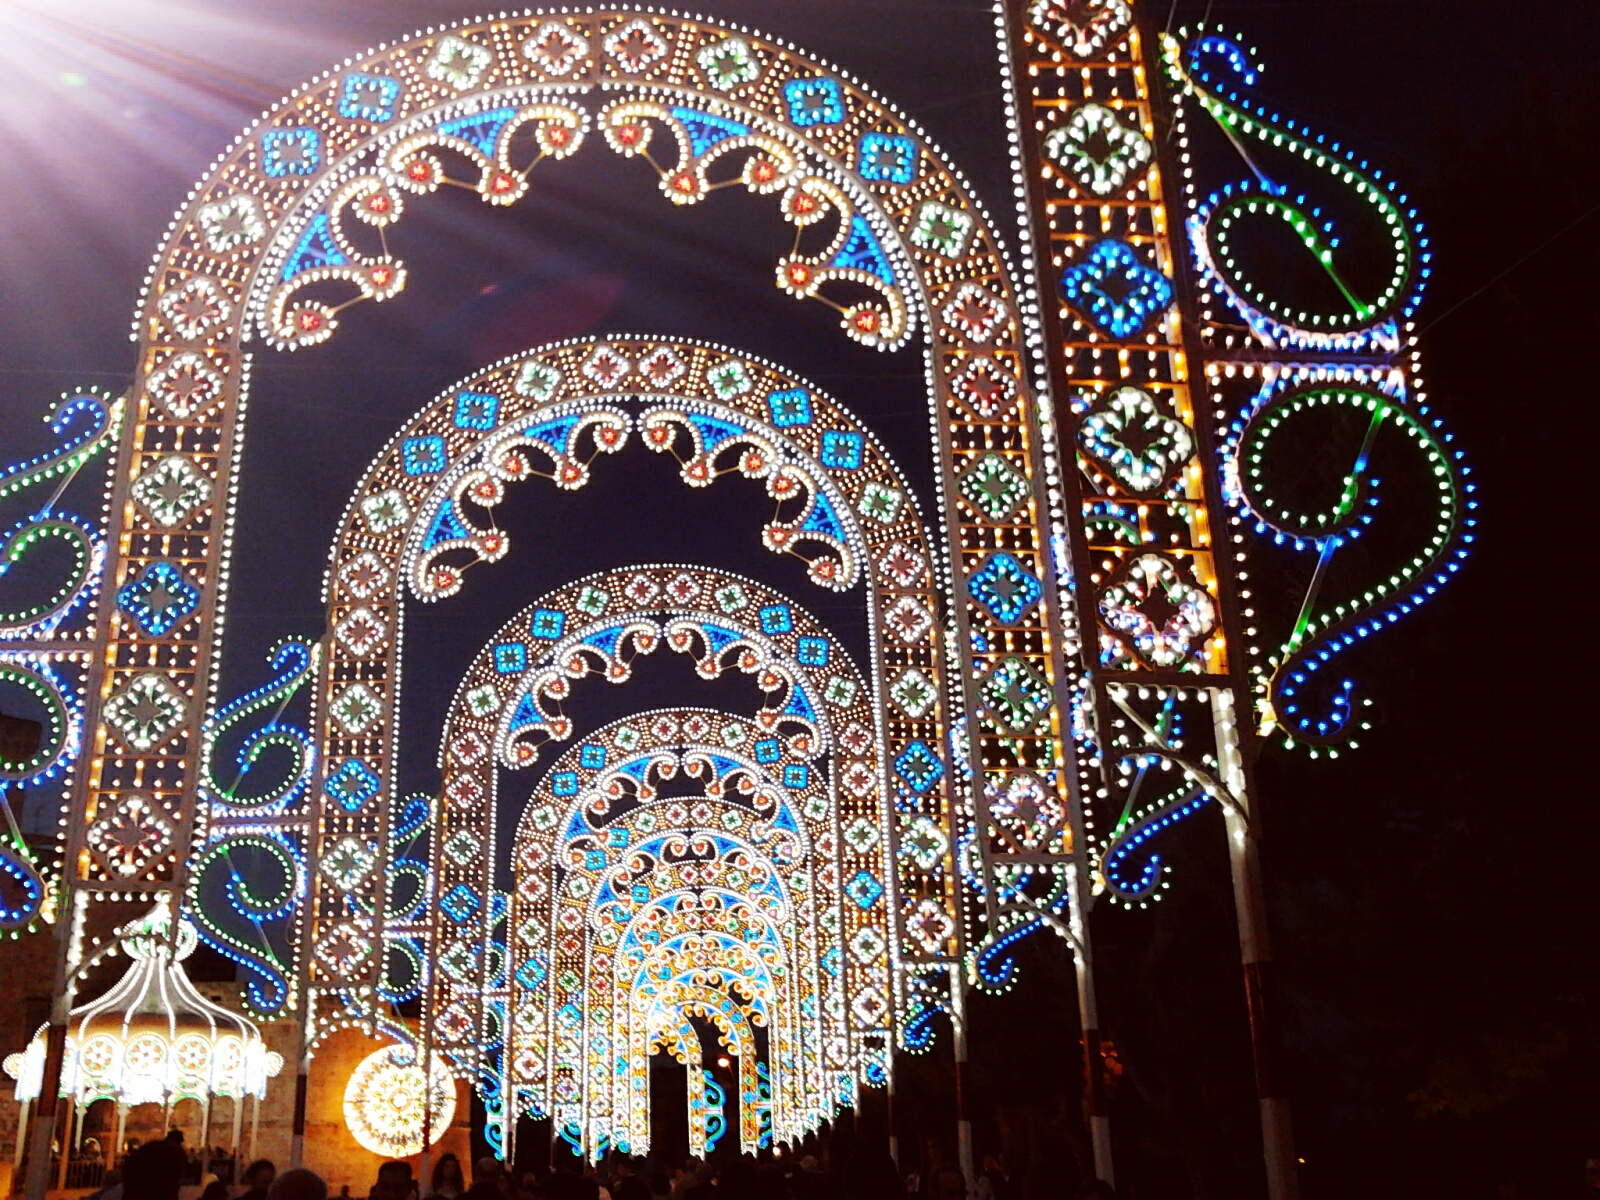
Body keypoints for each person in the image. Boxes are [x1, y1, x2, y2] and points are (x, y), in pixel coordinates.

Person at [123, 1131, 188, 1200]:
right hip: (154, 1188)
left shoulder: (150, 1147)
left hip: (136, 1184)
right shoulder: (176, 1152)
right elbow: (173, 1178)